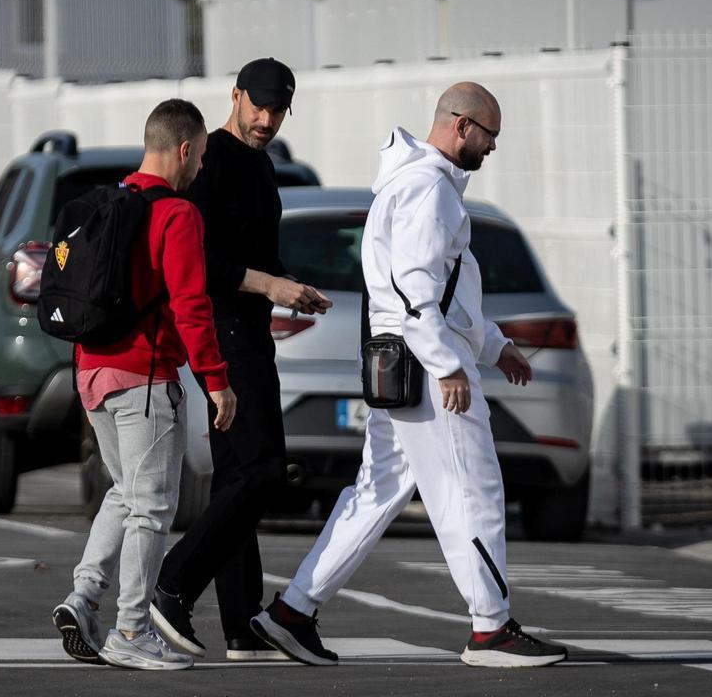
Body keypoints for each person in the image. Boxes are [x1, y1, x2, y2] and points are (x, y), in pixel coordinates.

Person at [250, 83, 568, 668]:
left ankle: (292, 612)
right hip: (426, 369)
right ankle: (491, 629)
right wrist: (448, 364)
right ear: (461, 125)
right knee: (473, 489)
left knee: (376, 491)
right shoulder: (430, 188)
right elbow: (416, 289)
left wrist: (495, 346)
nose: (493, 147)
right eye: (489, 134)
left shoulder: (413, 182)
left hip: (399, 365)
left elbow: (445, 293)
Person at [150, 58, 333, 662]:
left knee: (237, 477)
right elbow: (199, 264)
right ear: (235, 96)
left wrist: (292, 287)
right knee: (263, 470)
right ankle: (174, 583)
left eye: (278, 110)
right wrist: (269, 285)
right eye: (259, 106)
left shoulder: (262, 165)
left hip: (251, 331)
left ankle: (241, 622)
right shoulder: (213, 162)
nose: (267, 119)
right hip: (222, 334)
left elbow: (256, 253)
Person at [51, 98, 237, 671]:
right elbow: (191, 306)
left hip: (92, 372)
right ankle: (131, 630)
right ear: (184, 150)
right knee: (153, 507)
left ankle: (84, 598)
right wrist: (217, 381)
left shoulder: (110, 204)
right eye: (200, 157)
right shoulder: (177, 215)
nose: (199, 168)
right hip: (146, 378)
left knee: (126, 493)